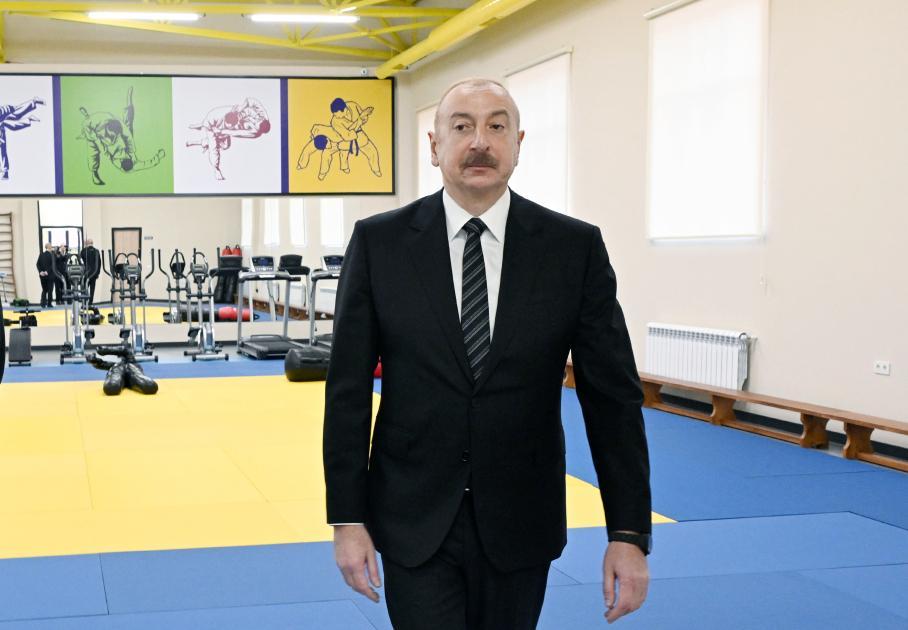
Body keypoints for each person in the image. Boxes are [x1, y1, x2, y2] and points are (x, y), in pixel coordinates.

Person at [323, 78, 652, 629]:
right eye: (462, 126)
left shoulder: (572, 249)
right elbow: (348, 391)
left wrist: (628, 532)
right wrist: (347, 518)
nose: (480, 141)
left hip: (521, 519)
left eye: (497, 126)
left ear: (518, 144)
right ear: (434, 146)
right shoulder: (380, 244)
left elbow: (612, 399)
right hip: (412, 516)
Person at [80, 239, 102, 305]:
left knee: (84, 288)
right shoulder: (96, 251)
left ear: (86, 243)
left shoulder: (84, 251)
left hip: (86, 272)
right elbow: (99, 263)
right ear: (92, 243)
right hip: (94, 273)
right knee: (92, 289)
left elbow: (81, 260)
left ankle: (84, 302)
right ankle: (90, 303)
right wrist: (97, 273)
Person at [36, 242, 55, 307]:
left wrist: (40, 272)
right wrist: (47, 272)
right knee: (50, 290)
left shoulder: (41, 254)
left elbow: (37, 264)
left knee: (44, 290)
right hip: (50, 275)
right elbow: (52, 265)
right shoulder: (51, 255)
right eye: (51, 246)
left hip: (42, 276)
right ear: (49, 247)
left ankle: (43, 303)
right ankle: (49, 304)